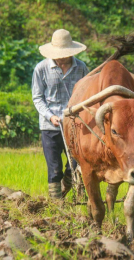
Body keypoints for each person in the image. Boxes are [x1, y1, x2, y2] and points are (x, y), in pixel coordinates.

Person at [32, 29, 89, 199]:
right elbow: (37, 97)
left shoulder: (81, 68)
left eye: (65, 53)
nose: (62, 57)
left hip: (74, 124)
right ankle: (56, 206)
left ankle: (63, 192)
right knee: (54, 168)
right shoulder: (41, 69)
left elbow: (87, 94)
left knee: (75, 164)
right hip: (50, 126)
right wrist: (50, 116)